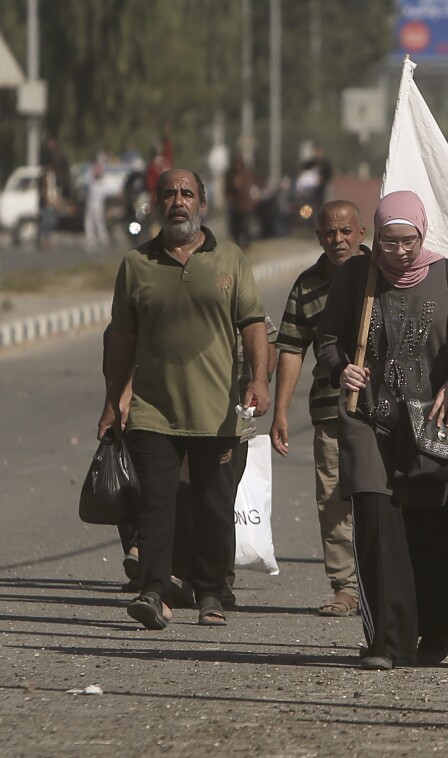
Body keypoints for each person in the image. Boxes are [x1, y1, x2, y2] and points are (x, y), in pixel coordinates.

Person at [315, 190, 448, 670]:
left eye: (408, 242)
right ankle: (385, 641)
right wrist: (340, 371)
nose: (398, 253)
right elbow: (329, 337)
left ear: (422, 233)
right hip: (370, 421)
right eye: (389, 242)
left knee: (434, 528)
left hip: (433, 422)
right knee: (376, 521)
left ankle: (434, 629)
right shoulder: (358, 276)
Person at [98, 168, 270, 630]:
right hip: (155, 411)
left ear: (203, 204)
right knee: (156, 504)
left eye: (187, 193)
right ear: (158, 204)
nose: (178, 201)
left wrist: (260, 381)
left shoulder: (230, 259)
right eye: (170, 193)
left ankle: (211, 591)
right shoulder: (136, 265)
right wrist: (114, 400)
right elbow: (122, 340)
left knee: (213, 507)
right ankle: (155, 591)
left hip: (218, 413)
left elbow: (253, 324)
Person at [271, 200, 366, 618]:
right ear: (319, 237)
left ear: (361, 234)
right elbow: (291, 348)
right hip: (329, 413)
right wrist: (279, 413)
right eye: (330, 233)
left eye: (346, 231)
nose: (338, 239)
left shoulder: (383, 274)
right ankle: (345, 584)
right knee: (332, 499)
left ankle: (385, 578)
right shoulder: (307, 285)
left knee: (382, 498)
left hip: (382, 414)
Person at [224, 155, 258, 250]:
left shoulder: (248, 174)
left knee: (246, 226)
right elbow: (227, 190)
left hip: (247, 206)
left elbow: (255, 186)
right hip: (235, 207)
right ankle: (238, 245)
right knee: (235, 228)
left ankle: (247, 245)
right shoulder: (230, 175)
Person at [84, 155, 111, 252]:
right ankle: (91, 240)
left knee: (99, 222)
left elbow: (108, 191)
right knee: (89, 222)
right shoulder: (91, 181)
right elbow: (87, 180)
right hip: (90, 204)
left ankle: (103, 239)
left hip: (98, 206)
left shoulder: (102, 184)